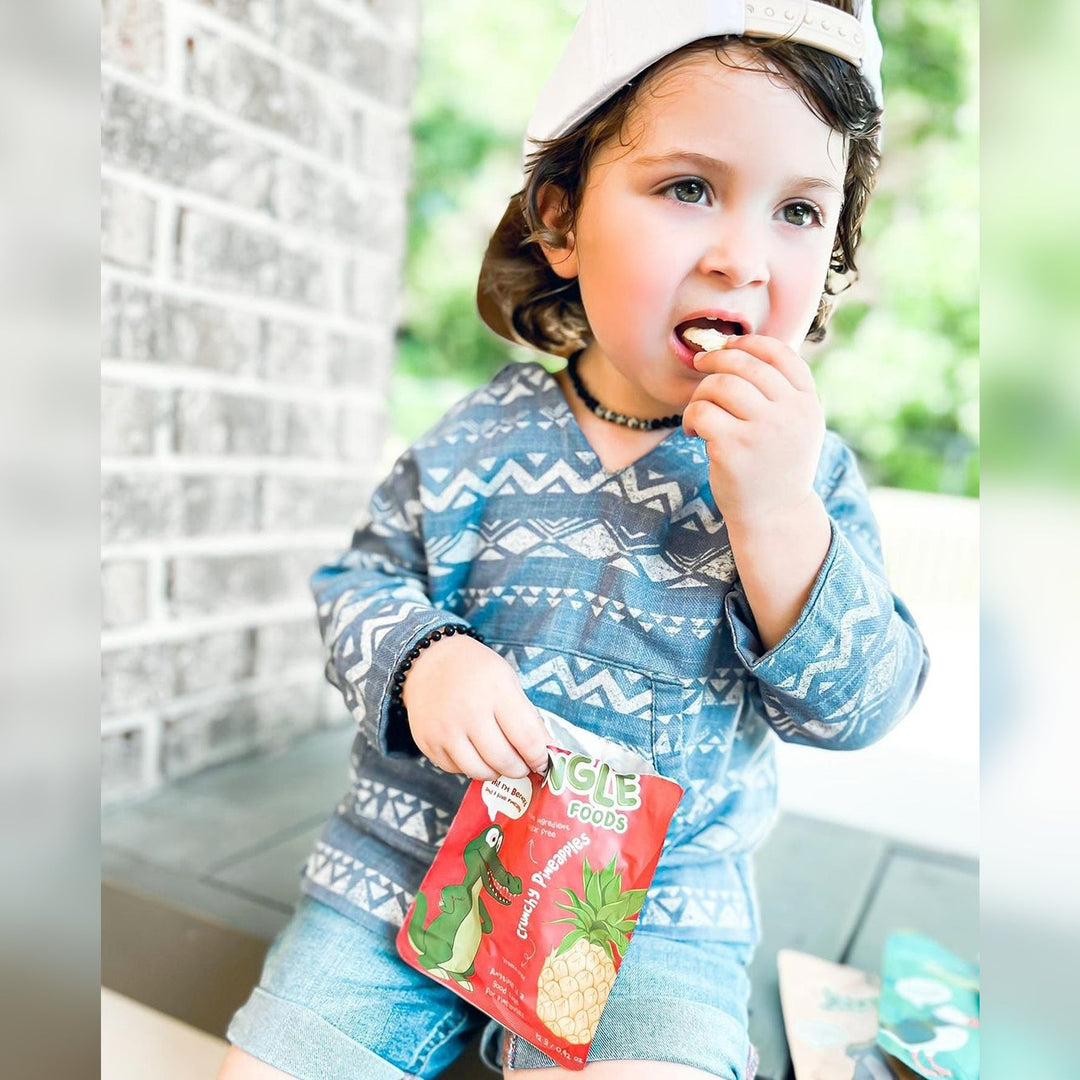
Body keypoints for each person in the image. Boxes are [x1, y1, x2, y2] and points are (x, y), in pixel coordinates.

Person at [218, 2, 929, 1078]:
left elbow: (862, 704)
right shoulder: (477, 443)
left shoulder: (805, 477)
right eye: (689, 188)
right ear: (561, 220)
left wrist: (777, 519)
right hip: (404, 878)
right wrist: (424, 659)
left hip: (653, 920)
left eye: (799, 210)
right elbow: (358, 580)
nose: (744, 257)